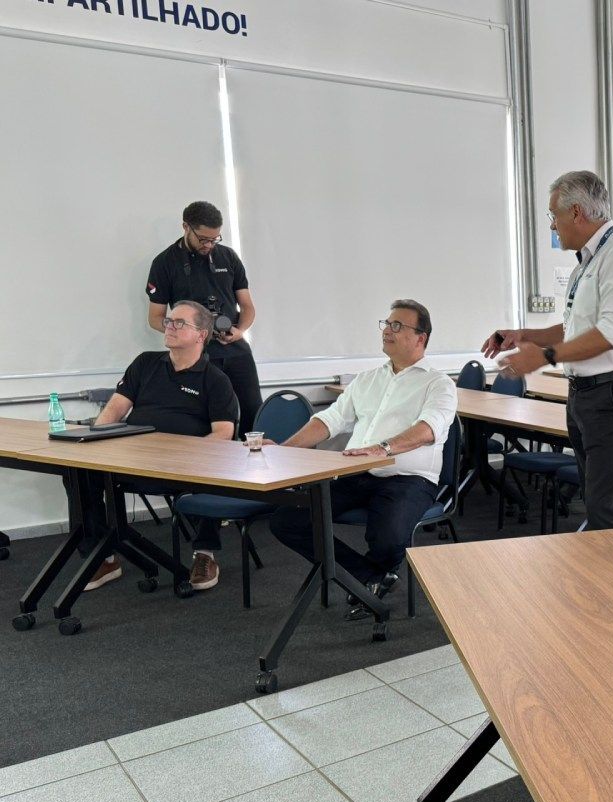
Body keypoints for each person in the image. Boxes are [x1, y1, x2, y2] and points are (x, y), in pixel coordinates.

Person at [482, 170, 613, 531]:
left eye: (553, 216)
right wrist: (524, 335)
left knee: (604, 505)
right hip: (584, 394)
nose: (551, 226)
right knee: (594, 499)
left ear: (576, 212)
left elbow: (611, 333)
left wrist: (545, 357)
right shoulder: (586, 264)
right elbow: (573, 328)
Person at [268, 299, 456, 619]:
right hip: (358, 471)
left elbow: (428, 430)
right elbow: (329, 421)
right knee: (287, 520)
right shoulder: (367, 378)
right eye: (386, 323)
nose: (387, 330)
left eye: (398, 326)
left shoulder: (439, 384)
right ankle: (369, 576)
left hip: (409, 478)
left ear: (420, 337)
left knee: (388, 537)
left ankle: (369, 576)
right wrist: (286, 448)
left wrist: (382, 449)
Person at [80, 300, 238, 592]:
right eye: (169, 320)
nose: (170, 326)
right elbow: (115, 409)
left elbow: (223, 433)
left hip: (185, 465)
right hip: (135, 458)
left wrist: (188, 455)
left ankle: (205, 554)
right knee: (81, 473)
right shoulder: (145, 363)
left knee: (213, 463)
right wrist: (96, 441)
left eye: (180, 323)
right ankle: (104, 555)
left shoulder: (215, 380)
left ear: (201, 335)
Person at [146, 200, 262, 435]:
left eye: (215, 239)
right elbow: (156, 317)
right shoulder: (165, 263)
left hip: (235, 350)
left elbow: (248, 307)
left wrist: (239, 331)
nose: (209, 245)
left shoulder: (228, 257)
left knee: (254, 412)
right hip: (196, 355)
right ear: (185, 227)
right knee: (205, 419)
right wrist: (186, 332)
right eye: (203, 239)